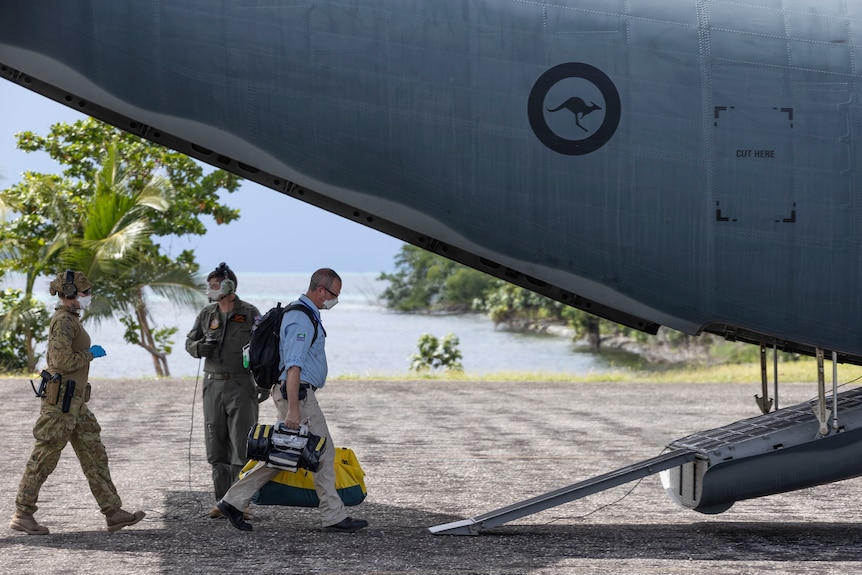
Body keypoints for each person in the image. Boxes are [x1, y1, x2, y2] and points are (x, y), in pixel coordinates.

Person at [217, 268, 368, 533]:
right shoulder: (300, 318)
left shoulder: (306, 314)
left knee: (283, 454)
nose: (334, 300)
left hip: (294, 394)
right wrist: (294, 412)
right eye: (334, 294)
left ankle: (232, 501)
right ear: (320, 290)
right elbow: (293, 366)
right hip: (297, 394)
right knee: (323, 452)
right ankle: (333, 516)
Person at [10, 270, 145, 535]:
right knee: (44, 458)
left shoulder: (71, 319)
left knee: (94, 454)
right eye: (84, 293)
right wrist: (89, 355)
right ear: (70, 295)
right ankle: (23, 514)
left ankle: (113, 512)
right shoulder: (63, 321)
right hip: (61, 404)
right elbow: (60, 362)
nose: (88, 297)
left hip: (75, 404)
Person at [185, 262, 265, 518]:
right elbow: (189, 341)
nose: (210, 290)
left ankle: (240, 503)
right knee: (215, 444)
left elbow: (264, 350)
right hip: (213, 384)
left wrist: (263, 383)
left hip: (241, 385)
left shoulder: (250, 313)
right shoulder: (207, 314)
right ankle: (221, 502)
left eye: (215, 285)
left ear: (229, 287)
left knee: (241, 446)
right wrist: (199, 348)